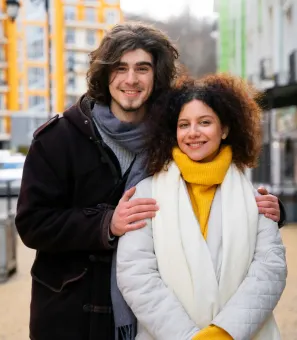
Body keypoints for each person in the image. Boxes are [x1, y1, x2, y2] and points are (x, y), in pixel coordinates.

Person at [15, 22, 284, 340]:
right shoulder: (59, 138)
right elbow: (33, 223)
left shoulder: (171, 134)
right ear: (104, 74)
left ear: (157, 75)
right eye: (120, 68)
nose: (131, 79)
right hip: (72, 313)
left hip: (153, 319)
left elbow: (209, 183)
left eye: (142, 68)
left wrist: (267, 207)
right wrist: (105, 224)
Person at [116, 74, 287, 340]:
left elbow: (269, 270)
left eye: (205, 122)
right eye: (184, 124)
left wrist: (222, 333)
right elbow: (135, 274)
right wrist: (188, 337)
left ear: (225, 129)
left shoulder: (256, 199)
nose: (193, 132)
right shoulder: (147, 192)